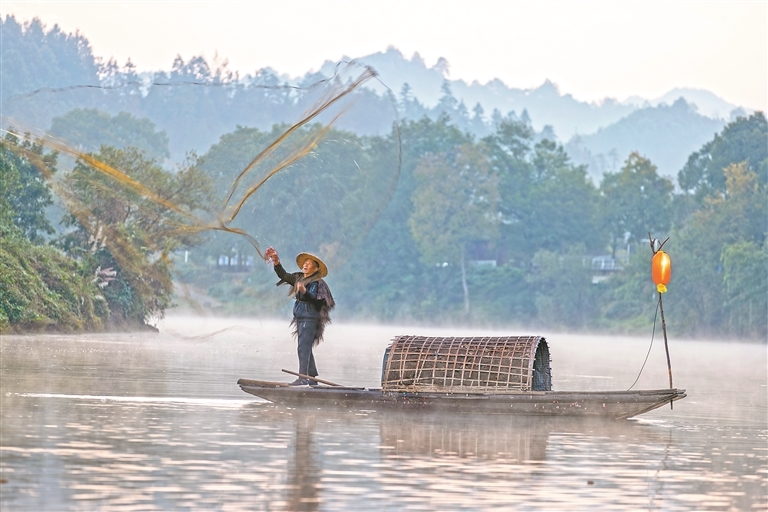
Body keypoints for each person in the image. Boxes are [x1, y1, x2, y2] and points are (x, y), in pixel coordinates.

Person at [264, 247, 335, 386]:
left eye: (309, 263)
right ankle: (312, 378)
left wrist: (304, 291)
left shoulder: (316, 282)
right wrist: (276, 261)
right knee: (306, 347)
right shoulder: (298, 278)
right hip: (301, 316)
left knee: (303, 348)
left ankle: (302, 378)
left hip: (310, 318)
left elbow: (315, 300)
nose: (305, 265)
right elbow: (283, 275)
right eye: (305, 263)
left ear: (315, 269)